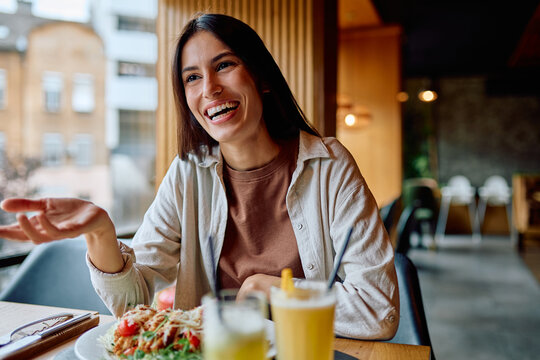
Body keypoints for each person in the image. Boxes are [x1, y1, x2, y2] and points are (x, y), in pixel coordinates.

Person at [0, 13, 398, 340]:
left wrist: (270, 289)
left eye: (224, 65)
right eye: (192, 77)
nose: (209, 88)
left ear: (260, 78)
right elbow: (135, 306)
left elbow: (378, 310)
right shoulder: (186, 175)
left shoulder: (329, 165)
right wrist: (102, 233)